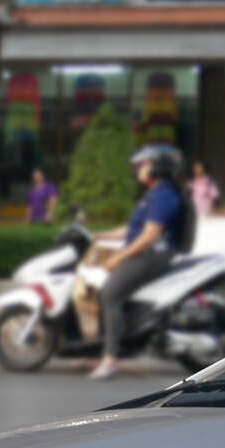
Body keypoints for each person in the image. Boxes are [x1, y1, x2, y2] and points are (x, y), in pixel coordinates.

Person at [88, 144, 191, 381]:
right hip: (146, 252)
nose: (140, 169)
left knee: (110, 294)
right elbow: (133, 229)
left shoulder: (164, 195)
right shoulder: (154, 193)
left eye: (145, 164)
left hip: (152, 255)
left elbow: (149, 236)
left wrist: (117, 258)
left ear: (158, 167)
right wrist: (101, 235)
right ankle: (111, 346)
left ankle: (110, 359)